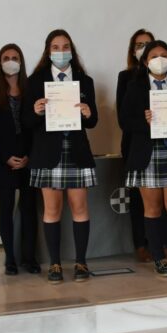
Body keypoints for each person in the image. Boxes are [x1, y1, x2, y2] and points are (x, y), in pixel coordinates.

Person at [23, 29, 98, 284]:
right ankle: (54, 264)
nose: (61, 51)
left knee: (80, 207)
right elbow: (26, 121)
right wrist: (35, 111)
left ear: (72, 50)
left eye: (65, 46)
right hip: (47, 153)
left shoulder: (84, 81)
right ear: (48, 51)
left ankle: (81, 262)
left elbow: (93, 121)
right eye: (55, 47)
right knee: (52, 209)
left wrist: (88, 113)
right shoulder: (35, 81)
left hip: (77, 150)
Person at [121, 39, 167, 277]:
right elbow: (125, 122)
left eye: (164, 55)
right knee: (152, 208)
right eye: (154, 56)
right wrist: (145, 121)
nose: (160, 60)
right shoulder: (135, 87)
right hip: (146, 153)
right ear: (145, 62)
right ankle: (159, 259)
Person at [115, 29, 167, 263]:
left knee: (166, 197)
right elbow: (123, 116)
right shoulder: (125, 77)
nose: (144, 48)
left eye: (147, 44)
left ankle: (163, 243)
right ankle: (141, 244)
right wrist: (145, 122)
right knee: (140, 200)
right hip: (135, 145)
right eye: (139, 45)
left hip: (164, 145)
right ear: (133, 50)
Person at [0, 43, 39, 276]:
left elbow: (36, 127)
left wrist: (29, 156)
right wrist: (6, 157)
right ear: (0, 62)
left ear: (21, 61)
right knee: (5, 209)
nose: (10, 61)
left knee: (29, 209)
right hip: (2, 159)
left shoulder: (31, 91)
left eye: (15, 57)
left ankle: (29, 258)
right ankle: (10, 259)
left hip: (28, 158)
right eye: (6, 58)